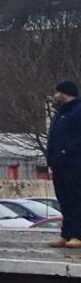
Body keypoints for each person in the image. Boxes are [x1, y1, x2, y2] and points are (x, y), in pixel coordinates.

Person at [46, 80, 81, 248]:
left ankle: (77, 234)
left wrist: (65, 152)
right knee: (64, 199)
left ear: (64, 92)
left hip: (74, 164)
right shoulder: (61, 112)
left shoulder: (77, 111)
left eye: (57, 92)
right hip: (59, 165)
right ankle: (66, 233)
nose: (55, 95)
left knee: (76, 198)